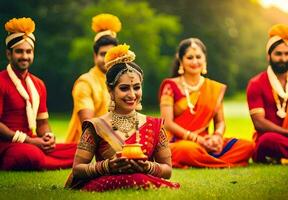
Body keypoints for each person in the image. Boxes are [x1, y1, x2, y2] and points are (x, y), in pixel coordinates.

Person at [65, 44, 180, 192]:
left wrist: (148, 167)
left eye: (137, 87)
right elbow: (78, 169)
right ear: (110, 91)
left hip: (145, 180)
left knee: (140, 179)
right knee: (138, 180)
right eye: (124, 88)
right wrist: (107, 166)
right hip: (106, 181)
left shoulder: (154, 125)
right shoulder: (96, 126)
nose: (132, 95)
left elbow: (167, 170)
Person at [159, 38, 254, 168]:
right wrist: (196, 139)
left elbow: (220, 122)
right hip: (179, 142)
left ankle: (203, 160)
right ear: (181, 60)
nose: (195, 61)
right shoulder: (170, 86)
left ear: (204, 60)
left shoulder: (213, 88)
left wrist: (217, 137)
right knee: (188, 150)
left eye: (198, 57)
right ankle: (216, 161)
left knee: (247, 146)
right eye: (190, 57)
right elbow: (167, 123)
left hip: (207, 143)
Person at [0, 17, 77, 170]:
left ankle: (42, 157)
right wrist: (28, 140)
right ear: (9, 54)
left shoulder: (38, 84)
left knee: (79, 149)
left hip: (32, 142)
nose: (24, 56)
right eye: (19, 52)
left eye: (28, 51)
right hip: (7, 144)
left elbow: (42, 123)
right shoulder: (1, 81)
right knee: (30, 154)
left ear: (33, 53)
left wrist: (48, 137)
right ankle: (36, 159)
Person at [246, 24, 288, 163]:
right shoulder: (256, 83)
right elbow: (259, 123)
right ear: (268, 56)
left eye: (287, 54)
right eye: (278, 54)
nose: (283, 58)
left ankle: (283, 158)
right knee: (268, 140)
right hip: (268, 143)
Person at [66, 13, 120, 143]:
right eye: (103, 54)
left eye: (111, 54)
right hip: (86, 146)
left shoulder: (120, 81)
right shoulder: (85, 82)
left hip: (115, 140)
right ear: (95, 56)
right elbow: (88, 125)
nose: (107, 59)